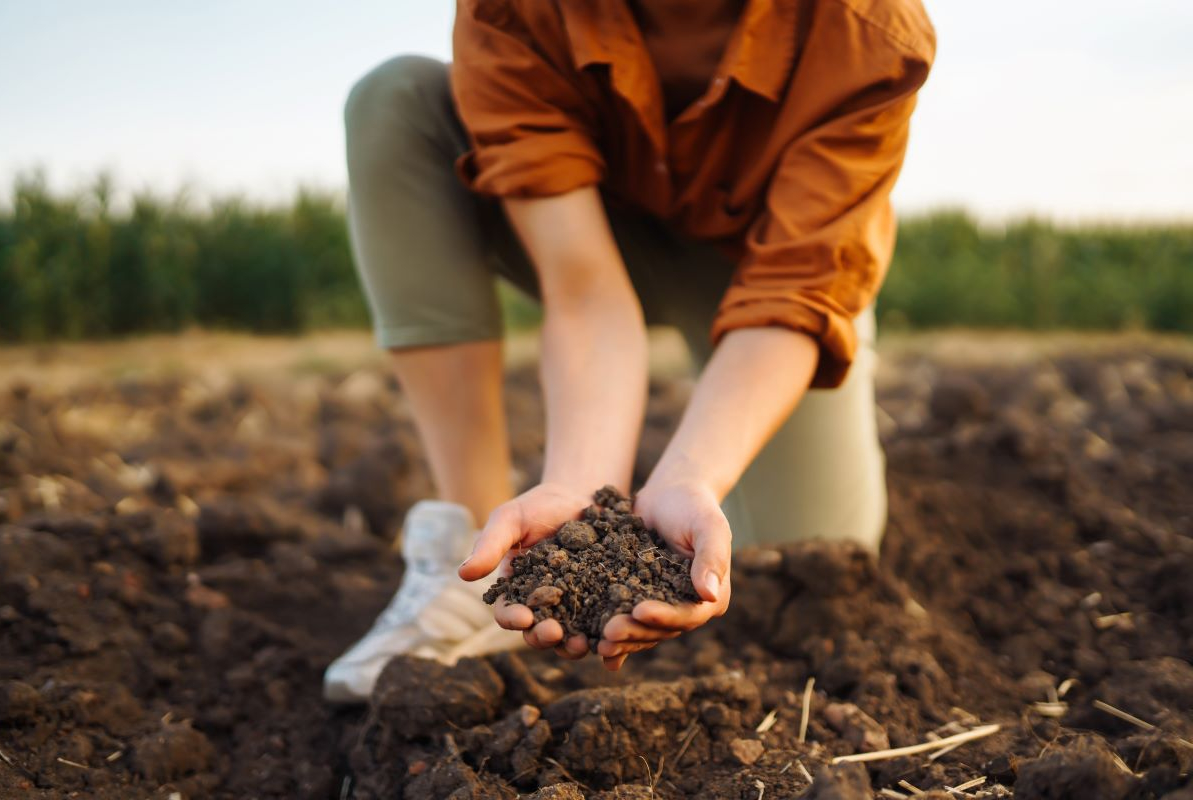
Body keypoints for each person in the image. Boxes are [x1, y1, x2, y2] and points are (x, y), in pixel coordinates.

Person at [323, 0, 934, 703]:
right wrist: (583, 489)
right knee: (397, 101)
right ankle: (472, 562)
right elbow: (584, 287)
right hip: (595, 237)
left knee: (816, 558)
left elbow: (796, 293)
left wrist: (692, 477)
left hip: (759, 274)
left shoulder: (866, 27)